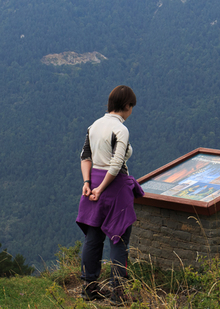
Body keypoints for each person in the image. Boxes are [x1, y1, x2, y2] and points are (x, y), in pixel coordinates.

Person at [76, 85, 144, 304]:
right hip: (114, 187)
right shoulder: (121, 129)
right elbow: (116, 164)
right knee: (119, 240)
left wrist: (88, 183)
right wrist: (102, 188)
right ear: (127, 106)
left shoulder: (94, 126)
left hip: (94, 181)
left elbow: (85, 156)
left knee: (93, 238)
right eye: (132, 106)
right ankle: (118, 294)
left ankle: (89, 288)